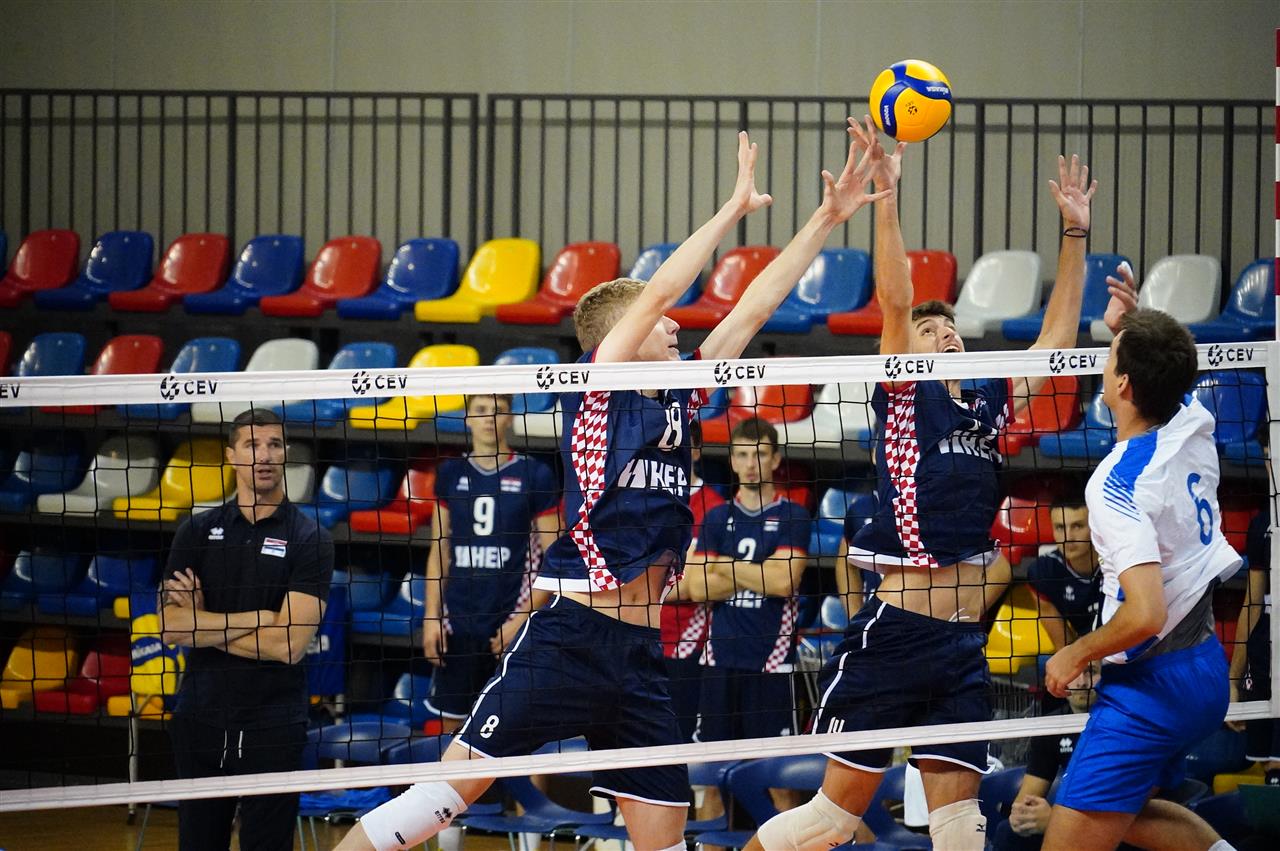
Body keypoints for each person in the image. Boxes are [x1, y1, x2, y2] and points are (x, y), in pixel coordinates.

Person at [337, 128, 891, 851]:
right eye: (662, 323)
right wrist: (731, 211)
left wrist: (826, 217)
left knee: (665, 838)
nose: (676, 324)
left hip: (641, 657)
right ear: (622, 334)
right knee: (441, 798)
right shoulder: (599, 391)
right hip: (570, 639)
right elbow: (659, 291)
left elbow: (753, 310)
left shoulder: (680, 395)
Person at [745, 116, 1105, 851]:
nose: (946, 335)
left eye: (952, 330)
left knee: (961, 825)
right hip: (897, 635)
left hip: (962, 645)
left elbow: (1056, 343)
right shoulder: (906, 394)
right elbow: (895, 300)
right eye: (931, 332)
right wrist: (887, 197)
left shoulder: (989, 401)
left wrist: (1074, 233)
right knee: (831, 821)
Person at [1040, 307, 1241, 851]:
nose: (1103, 364)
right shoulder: (1194, 421)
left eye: (1110, 357)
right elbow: (1167, 369)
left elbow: (1146, 614)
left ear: (1124, 383)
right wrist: (1132, 327)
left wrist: (1075, 653)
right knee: (1125, 814)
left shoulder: (1115, 485)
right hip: (1205, 667)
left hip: (1150, 687)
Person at [159, 408, 334, 851]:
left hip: (273, 722)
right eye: (252, 445)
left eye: (274, 444)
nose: (264, 455)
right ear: (231, 456)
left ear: (286, 454)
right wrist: (257, 618)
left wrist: (204, 623)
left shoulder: (310, 538)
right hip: (201, 715)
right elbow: (171, 628)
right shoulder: (197, 531)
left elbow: (289, 645)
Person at [421, 392, 560, 734]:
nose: (488, 417)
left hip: (512, 625)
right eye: (480, 410)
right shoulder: (450, 473)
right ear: (467, 418)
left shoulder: (535, 474)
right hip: (459, 625)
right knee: (451, 730)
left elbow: (556, 560)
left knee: (517, 733)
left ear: (510, 418)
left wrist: (522, 620)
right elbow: (439, 550)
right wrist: (431, 617)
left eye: (498, 410)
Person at [681, 416, 811, 743]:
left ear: (775, 460)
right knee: (711, 768)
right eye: (742, 454)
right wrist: (760, 569)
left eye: (759, 454)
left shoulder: (793, 515)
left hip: (772, 663)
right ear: (732, 461)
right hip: (718, 660)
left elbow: (783, 582)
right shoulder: (716, 516)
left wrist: (723, 564)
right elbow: (698, 588)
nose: (751, 464)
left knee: (775, 770)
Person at [660, 416, 725, 742]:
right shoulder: (646, 501)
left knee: (680, 744)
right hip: (641, 640)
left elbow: (695, 586)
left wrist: (642, 586)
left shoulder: (715, 508)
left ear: (696, 450)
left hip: (688, 646)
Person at [993, 662, 1099, 851]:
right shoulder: (1052, 727)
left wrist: (1056, 820)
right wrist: (1022, 815)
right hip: (1070, 817)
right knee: (1008, 832)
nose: (1082, 682)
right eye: (1074, 672)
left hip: (1115, 820)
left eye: (1091, 671)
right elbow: (1026, 799)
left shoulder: (1124, 724)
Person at [1231, 507, 1280, 784]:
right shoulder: (1263, 523)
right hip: (1267, 658)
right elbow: (1252, 605)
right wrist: (1233, 682)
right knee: (1271, 767)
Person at [1028, 498, 1102, 654]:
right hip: (1087, 654)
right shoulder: (1043, 572)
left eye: (1077, 526)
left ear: (1095, 526)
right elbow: (1064, 648)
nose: (1068, 537)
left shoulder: (1119, 564)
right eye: (1060, 527)